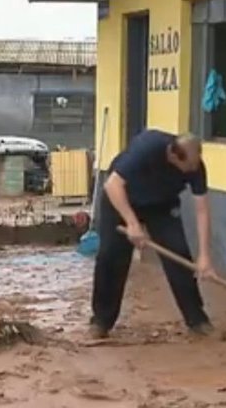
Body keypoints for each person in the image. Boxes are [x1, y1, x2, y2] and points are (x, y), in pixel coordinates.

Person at [90, 129, 218, 339]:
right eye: (189, 167)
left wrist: (205, 256)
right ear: (174, 156)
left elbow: (202, 209)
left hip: (161, 205)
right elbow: (112, 184)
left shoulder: (195, 166)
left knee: (179, 254)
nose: (193, 171)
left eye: (196, 165)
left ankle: (197, 320)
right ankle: (101, 321)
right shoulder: (147, 148)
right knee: (110, 256)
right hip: (122, 200)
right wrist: (132, 223)